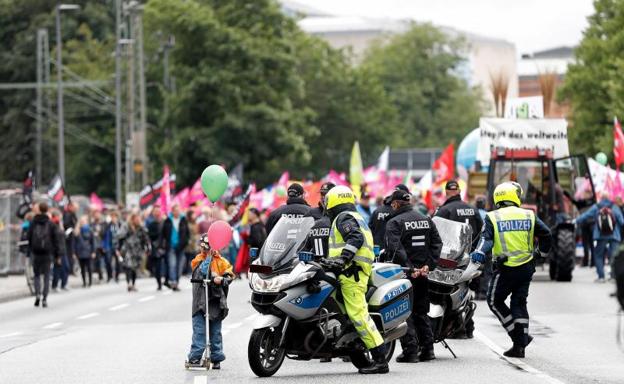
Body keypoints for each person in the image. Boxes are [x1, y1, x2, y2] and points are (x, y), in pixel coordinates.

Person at [471, 182, 551, 358]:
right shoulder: (529, 215)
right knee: (519, 303)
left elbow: (487, 239)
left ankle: (517, 337)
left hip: (505, 268)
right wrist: (540, 254)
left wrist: (478, 252)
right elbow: (547, 234)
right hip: (527, 267)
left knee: (494, 301)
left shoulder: (493, 217)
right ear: (515, 196)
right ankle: (519, 345)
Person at [323, 185, 388, 374]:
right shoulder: (357, 216)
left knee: (359, 316)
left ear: (335, 200)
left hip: (351, 273)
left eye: (328, 201)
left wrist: (342, 259)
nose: (326, 205)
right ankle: (348, 343)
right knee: (341, 312)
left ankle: (380, 360)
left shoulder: (343, 218)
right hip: (349, 271)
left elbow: (355, 238)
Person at [385, 189, 442, 363]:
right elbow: (437, 243)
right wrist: (428, 266)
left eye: (392, 204)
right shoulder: (426, 219)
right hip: (423, 273)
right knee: (421, 311)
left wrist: (410, 269)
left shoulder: (394, 222)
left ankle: (410, 351)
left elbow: (396, 250)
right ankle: (428, 349)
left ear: (395, 204)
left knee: (404, 313)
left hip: (405, 273)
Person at [434, 180, 484, 338]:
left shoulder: (444, 210)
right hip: (472, 255)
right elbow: (482, 231)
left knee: (449, 291)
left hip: (451, 257)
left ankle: (456, 326)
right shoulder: (472, 209)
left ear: (447, 191)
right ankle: (467, 327)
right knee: (465, 289)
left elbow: (436, 233)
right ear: (459, 190)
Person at [186, 234, 234, 369]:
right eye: (205, 249)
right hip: (200, 301)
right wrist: (208, 258)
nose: (206, 251)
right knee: (199, 331)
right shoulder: (197, 260)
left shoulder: (222, 261)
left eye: (209, 249)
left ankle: (216, 357)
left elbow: (229, 275)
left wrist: (222, 278)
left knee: (215, 331)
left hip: (216, 301)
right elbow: (201, 271)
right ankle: (195, 357)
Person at [576, 193, 624, 282]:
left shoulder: (597, 207)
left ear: (601, 198)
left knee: (598, 255)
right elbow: (622, 221)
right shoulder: (614, 207)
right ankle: (613, 276)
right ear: (609, 198)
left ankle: (601, 277)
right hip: (614, 235)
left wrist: (576, 220)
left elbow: (586, 215)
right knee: (614, 256)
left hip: (600, 236)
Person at [27, 202, 62, 307]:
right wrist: (58, 255)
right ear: (47, 210)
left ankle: (37, 294)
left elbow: (29, 236)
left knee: (36, 275)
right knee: (47, 275)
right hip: (47, 253)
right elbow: (56, 240)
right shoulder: (51, 223)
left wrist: (31, 248)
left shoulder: (33, 222)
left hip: (36, 252)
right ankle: (45, 298)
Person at [369, 184, 409, 253]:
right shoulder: (401, 212)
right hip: (395, 253)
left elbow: (370, 230)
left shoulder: (377, 211)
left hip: (377, 250)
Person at [160, 204, 190, 291]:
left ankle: (176, 281)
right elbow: (163, 234)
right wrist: (162, 244)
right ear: (172, 211)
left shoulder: (183, 220)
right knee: (172, 264)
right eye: (175, 210)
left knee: (179, 265)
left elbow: (187, 233)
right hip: (171, 246)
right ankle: (173, 281)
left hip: (181, 246)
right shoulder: (168, 220)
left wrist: (185, 242)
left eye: (178, 210)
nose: (177, 212)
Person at [118, 213, 151, 292]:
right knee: (128, 266)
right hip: (128, 249)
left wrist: (147, 247)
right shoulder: (126, 226)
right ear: (132, 219)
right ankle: (129, 283)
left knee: (135, 268)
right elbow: (119, 236)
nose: (137, 220)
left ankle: (133, 283)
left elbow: (146, 237)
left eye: (138, 219)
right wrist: (118, 249)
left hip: (137, 250)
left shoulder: (141, 227)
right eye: (136, 219)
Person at [304, 182, 335, 258]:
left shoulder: (338, 213)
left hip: (334, 259)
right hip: (316, 260)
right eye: (322, 194)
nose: (323, 197)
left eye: (326, 194)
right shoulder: (311, 213)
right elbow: (303, 237)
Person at [146, 205, 165, 290]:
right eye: (155, 211)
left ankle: (167, 280)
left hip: (164, 247)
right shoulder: (151, 224)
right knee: (157, 266)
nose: (157, 213)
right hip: (155, 248)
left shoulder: (164, 222)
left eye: (158, 211)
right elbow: (149, 236)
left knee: (166, 265)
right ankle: (159, 282)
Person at [50, 209, 69, 291]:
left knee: (65, 267)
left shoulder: (59, 225)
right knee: (57, 268)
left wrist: (62, 227)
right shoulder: (53, 225)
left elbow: (63, 237)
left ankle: (63, 284)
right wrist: (57, 255)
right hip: (58, 251)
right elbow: (56, 240)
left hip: (63, 249)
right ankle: (55, 285)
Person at [74, 215, 96, 288]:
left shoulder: (90, 230)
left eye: (84, 221)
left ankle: (90, 282)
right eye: (82, 221)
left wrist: (93, 251)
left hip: (88, 251)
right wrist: (74, 252)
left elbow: (93, 242)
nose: (83, 223)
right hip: (80, 251)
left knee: (89, 267)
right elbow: (74, 242)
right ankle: (84, 282)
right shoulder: (77, 231)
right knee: (82, 268)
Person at [102, 211, 122, 283]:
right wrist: (104, 246)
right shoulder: (107, 225)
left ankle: (117, 276)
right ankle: (109, 276)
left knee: (118, 262)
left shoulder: (119, 225)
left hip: (118, 247)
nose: (113, 218)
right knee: (108, 261)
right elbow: (105, 236)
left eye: (115, 217)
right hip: (109, 246)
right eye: (112, 217)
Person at [63, 201, 78, 274]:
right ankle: (70, 269)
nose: (76, 209)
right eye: (75, 208)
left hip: (72, 236)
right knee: (70, 253)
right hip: (69, 237)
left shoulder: (72, 214)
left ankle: (71, 268)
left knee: (72, 253)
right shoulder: (67, 214)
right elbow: (66, 224)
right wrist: (72, 228)